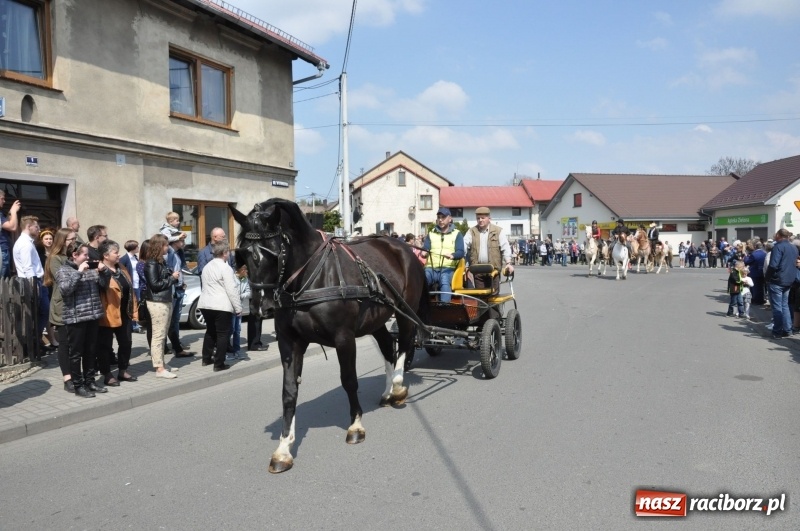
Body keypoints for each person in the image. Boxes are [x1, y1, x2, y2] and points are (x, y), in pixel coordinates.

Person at [56, 242, 111, 397]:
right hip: (75, 318)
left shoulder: (90, 269)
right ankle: (78, 385)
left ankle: (90, 382)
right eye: (85, 255)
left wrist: (104, 271)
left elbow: (103, 285)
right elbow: (65, 290)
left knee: (90, 351)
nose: (88, 257)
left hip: (93, 316)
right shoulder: (63, 270)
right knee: (75, 353)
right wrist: (79, 273)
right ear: (74, 255)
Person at [97, 240, 139, 385]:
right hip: (107, 314)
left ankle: (122, 370)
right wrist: (102, 271)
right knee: (105, 346)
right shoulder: (99, 270)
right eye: (115, 252)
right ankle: (107, 374)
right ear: (106, 255)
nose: (119, 254)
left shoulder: (121, 267)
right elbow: (101, 288)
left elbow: (130, 287)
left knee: (126, 342)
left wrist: (134, 309)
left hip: (124, 312)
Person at [198, 240, 242, 371]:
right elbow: (231, 289)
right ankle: (219, 363)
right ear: (224, 253)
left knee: (210, 331)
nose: (229, 254)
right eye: (228, 252)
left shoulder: (207, 266)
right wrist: (238, 308)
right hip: (220, 305)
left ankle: (206, 358)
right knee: (223, 334)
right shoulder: (225, 268)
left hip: (205, 304)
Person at [143, 234, 180, 378]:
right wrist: (172, 278)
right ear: (159, 246)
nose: (167, 248)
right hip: (157, 302)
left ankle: (162, 363)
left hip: (165, 300)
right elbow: (155, 284)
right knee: (158, 335)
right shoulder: (151, 263)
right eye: (165, 245)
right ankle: (159, 368)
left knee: (163, 334)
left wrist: (172, 277)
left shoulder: (160, 262)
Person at [12, 216, 51, 354]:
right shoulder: (25, 244)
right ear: (28, 227)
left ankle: (36, 341)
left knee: (41, 313)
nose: (38, 228)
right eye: (36, 226)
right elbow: (28, 268)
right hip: (33, 282)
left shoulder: (27, 242)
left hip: (37, 281)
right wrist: (35, 287)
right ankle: (34, 343)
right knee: (38, 313)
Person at [45, 228, 77, 391]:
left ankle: (77, 374)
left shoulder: (73, 255)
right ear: (62, 240)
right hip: (62, 305)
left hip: (76, 304)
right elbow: (63, 279)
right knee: (65, 343)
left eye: (74, 239)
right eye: (71, 239)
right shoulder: (55, 258)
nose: (74, 242)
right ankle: (67, 378)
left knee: (75, 342)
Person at [463, 207, 514, 292]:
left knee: (493, 298)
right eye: (478, 218)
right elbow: (464, 245)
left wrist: (508, 263)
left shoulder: (498, 231)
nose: (480, 220)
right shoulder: (471, 232)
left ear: (489, 218)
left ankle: (494, 306)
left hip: (493, 271)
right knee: (481, 299)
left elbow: (505, 247)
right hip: (478, 270)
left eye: (483, 218)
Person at [422, 207, 465, 302]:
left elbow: (461, 252)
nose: (440, 220)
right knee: (422, 279)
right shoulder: (431, 234)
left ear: (450, 219)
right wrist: (424, 252)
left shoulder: (457, 234)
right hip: (430, 268)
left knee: (444, 280)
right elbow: (425, 248)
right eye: (439, 217)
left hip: (448, 268)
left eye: (443, 217)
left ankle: (444, 307)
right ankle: (420, 306)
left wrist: (452, 255)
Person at [765, 228, 799, 339]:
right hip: (789, 279)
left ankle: (777, 331)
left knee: (777, 306)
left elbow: (773, 265)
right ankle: (787, 329)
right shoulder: (793, 247)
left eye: (776, 235)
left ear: (779, 235)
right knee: (784, 305)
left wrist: (768, 277)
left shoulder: (778, 247)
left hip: (778, 280)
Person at [166, 236, 194, 358]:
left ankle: (176, 344)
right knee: (169, 320)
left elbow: (182, 269)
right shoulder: (169, 252)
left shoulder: (178, 253)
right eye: (181, 240)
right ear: (175, 241)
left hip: (179, 287)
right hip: (173, 288)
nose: (183, 242)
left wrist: (183, 283)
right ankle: (167, 345)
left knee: (176, 319)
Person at [227, 264, 251, 361]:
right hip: (231, 307)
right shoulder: (232, 278)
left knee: (237, 330)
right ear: (241, 270)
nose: (247, 273)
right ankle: (226, 350)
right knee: (230, 330)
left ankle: (236, 351)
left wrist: (241, 295)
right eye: (246, 271)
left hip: (239, 307)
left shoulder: (245, 279)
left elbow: (249, 292)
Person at [119, 240, 144, 332]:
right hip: (131, 285)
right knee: (132, 304)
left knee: (137, 303)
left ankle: (134, 322)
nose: (138, 248)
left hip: (138, 284)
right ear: (133, 248)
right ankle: (132, 324)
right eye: (137, 247)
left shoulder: (135, 258)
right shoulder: (124, 259)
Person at [0, 190, 21, 277]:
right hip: (1, 250)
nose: (4, 201)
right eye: (2, 199)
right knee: (3, 282)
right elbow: (12, 227)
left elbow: (6, 224)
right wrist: (13, 211)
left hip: (3, 250)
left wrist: (10, 213)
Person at [744, 240, 766, 305]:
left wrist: (746, 256)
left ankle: (756, 300)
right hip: (762, 272)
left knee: (755, 287)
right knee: (761, 287)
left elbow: (747, 262)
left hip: (755, 272)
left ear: (755, 246)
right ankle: (761, 299)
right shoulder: (764, 253)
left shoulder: (754, 254)